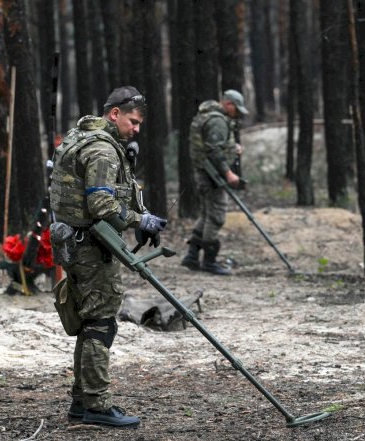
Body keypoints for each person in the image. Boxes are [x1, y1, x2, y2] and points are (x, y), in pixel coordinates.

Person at [49, 86, 166, 428]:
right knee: (101, 324)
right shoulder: (102, 150)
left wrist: (138, 213)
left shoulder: (85, 134)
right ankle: (97, 406)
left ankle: (80, 402)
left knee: (90, 323)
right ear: (114, 114)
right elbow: (101, 205)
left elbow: (111, 192)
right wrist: (138, 219)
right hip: (89, 248)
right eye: (133, 122)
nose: (137, 129)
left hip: (76, 242)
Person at [180, 89, 248, 276]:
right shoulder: (217, 120)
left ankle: (192, 256)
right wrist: (228, 173)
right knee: (216, 216)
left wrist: (233, 148)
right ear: (228, 104)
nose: (238, 114)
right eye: (237, 109)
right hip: (212, 176)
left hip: (205, 174)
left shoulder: (209, 117)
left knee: (207, 214)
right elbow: (214, 151)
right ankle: (209, 261)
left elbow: (213, 145)